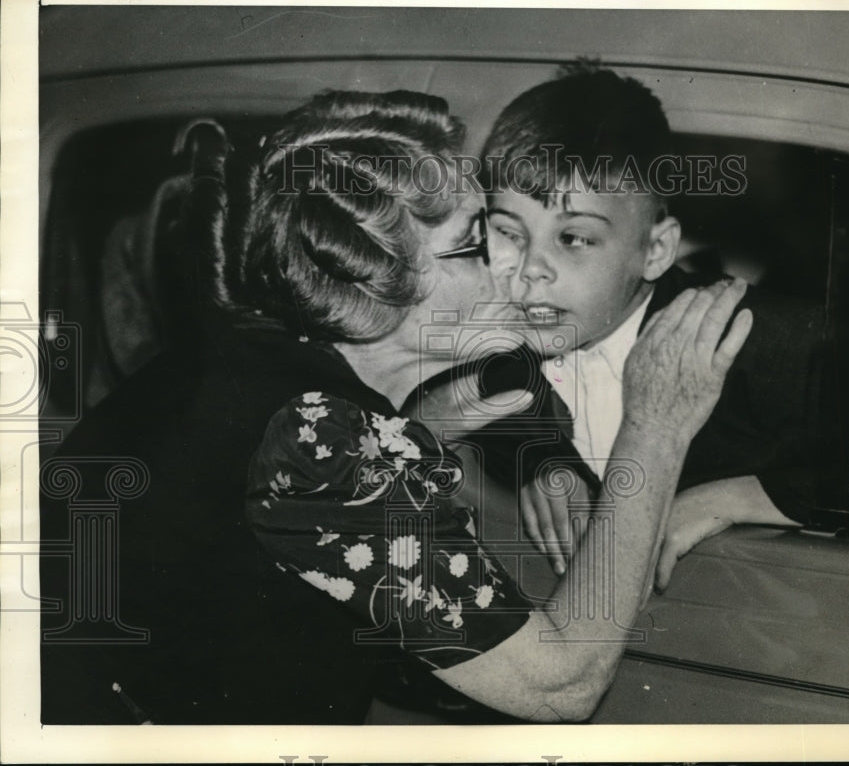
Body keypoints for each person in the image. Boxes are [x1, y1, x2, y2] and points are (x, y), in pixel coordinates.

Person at [237, 89, 754, 721]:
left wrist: (427, 429)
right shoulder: (319, 439)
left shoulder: (286, 378)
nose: (520, 269)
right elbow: (561, 687)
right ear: (380, 281)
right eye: (481, 240)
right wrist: (655, 424)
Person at [469, 64, 829, 586]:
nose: (529, 269)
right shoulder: (489, 335)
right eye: (508, 231)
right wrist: (544, 459)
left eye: (574, 238)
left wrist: (742, 496)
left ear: (656, 250)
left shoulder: (764, 342)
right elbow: (479, 395)